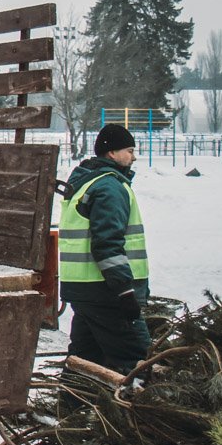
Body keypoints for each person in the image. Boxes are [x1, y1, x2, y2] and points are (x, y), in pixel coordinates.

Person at [58, 124, 150, 374]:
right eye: (129, 150)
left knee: (86, 359)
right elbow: (107, 245)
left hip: (83, 290)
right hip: (107, 292)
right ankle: (138, 409)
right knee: (135, 360)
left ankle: (72, 407)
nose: (134, 156)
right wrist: (126, 292)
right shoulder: (109, 188)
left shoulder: (87, 182)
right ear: (111, 153)